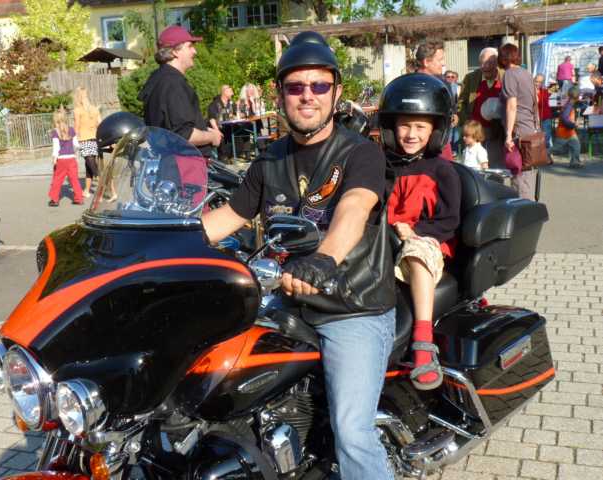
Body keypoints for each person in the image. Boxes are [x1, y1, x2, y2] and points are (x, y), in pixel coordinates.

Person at [202, 31, 396, 480]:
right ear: (280, 94)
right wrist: (157, 243)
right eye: (296, 86)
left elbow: (354, 209)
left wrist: (324, 259)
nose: (308, 95)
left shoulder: (360, 153)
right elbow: (228, 216)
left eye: (319, 85)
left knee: (352, 432)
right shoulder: (270, 160)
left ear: (336, 92)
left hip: (350, 306)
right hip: (285, 299)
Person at [379, 73, 461, 390]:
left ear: (435, 131)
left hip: (428, 244)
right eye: (404, 125)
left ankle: (423, 344)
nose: (411, 134)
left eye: (420, 127)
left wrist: (413, 231)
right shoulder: (382, 166)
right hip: (384, 241)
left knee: (415, 254)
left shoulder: (442, 171)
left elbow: (449, 220)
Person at [138, 25, 222, 158]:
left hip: (169, 162)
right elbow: (184, 134)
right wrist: (212, 137)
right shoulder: (173, 83)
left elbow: (170, 127)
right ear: (175, 51)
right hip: (184, 164)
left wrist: (204, 129)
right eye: (190, 46)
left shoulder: (159, 78)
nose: (195, 51)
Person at [499, 43, 539, 200]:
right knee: (528, 174)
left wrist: (508, 135)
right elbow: (535, 100)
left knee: (519, 176)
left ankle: (524, 209)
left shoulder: (509, 74)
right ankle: (530, 206)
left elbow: (512, 105)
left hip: (518, 129)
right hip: (530, 127)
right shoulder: (526, 73)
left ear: (503, 58)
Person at [459, 47, 505, 169]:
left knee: (495, 164)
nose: (486, 66)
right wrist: (466, 123)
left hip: (498, 131)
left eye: (490, 63)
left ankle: (494, 181)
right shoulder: (471, 78)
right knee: (473, 164)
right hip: (475, 131)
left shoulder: (505, 76)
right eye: (483, 63)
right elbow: (461, 103)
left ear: (497, 63)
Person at [415, 40, 456, 161]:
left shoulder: (444, 85)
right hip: (416, 146)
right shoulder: (409, 84)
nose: (443, 63)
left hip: (441, 144)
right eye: (440, 59)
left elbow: (452, 111)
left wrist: (454, 117)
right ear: (426, 62)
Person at [48, 107, 83, 207]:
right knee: (74, 179)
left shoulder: (55, 132)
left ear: (56, 121)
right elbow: (76, 145)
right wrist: (74, 153)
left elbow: (56, 147)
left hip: (61, 159)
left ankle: (54, 199)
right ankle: (79, 198)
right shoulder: (71, 130)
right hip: (71, 158)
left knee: (57, 179)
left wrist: (54, 159)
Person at [73, 87, 102, 199]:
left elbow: (76, 126)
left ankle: (101, 181)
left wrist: (73, 141)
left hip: (83, 139)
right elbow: (100, 123)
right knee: (89, 164)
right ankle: (86, 190)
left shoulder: (77, 110)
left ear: (78, 97)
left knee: (90, 163)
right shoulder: (95, 109)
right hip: (94, 138)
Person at [551, 86, 582, 168]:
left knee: (576, 146)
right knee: (556, 148)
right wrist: (574, 125)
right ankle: (542, 154)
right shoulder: (569, 106)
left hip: (570, 132)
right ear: (577, 97)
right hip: (564, 132)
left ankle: (575, 163)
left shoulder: (569, 104)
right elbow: (564, 119)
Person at [534, 74, 553, 150]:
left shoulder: (545, 91)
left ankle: (547, 153)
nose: (538, 84)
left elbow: (541, 102)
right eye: (536, 81)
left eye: (540, 82)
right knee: (536, 138)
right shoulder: (530, 92)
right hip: (535, 118)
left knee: (546, 137)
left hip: (545, 117)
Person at [445, 70, 460, 156]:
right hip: (448, 113)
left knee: (456, 133)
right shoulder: (444, 87)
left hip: (458, 113)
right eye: (448, 77)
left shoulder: (458, 88)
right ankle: (450, 151)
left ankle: (455, 151)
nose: (450, 78)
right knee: (450, 133)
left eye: (452, 77)